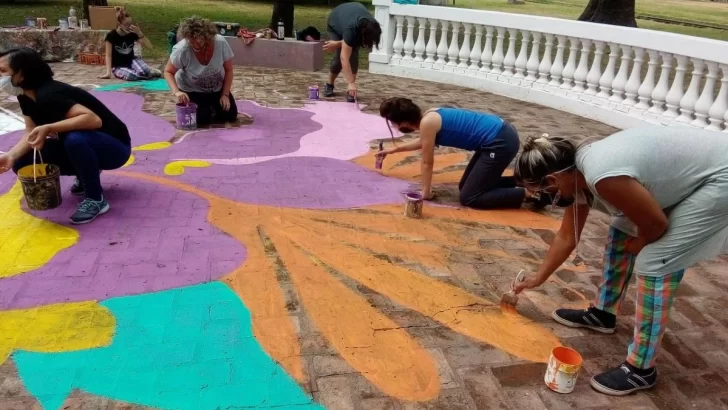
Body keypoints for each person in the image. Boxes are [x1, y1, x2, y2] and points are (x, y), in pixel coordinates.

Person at [512, 127, 728, 396]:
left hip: (721, 178)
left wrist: (640, 244)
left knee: (656, 262)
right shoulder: (575, 175)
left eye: (545, 192)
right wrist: (538, 278)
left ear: (553, 179)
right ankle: (603, 313)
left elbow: (655, 224)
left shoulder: (602, 175)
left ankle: (641, 369)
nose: (548, 200)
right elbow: (567, 236)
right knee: (621, 229)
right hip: (702, 170)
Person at [0, 48, 132, 224]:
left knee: (76, 139)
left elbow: (93, 120)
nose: (1, 78)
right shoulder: (25, 96)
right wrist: (11, 155)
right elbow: (30, 132)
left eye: (3, 71)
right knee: (23, 161)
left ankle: (96, 199)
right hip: (84, 144)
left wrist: (49, 127)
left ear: (21, 74)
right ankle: (86, 172)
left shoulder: (49, 95)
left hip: (115, 149)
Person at [377, 97, 545, 209]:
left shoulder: (428, 123)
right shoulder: (430, 115)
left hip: (499, 142)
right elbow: (424, 141)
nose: (395, 127)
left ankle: (530, 193)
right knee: (465, 187)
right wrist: (394, 150)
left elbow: (427, 162)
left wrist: (425, 192)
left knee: (470, 197)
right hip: (499, 136)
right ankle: (523, 181)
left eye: (394, 123)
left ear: (403, 121)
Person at [163, 16, 237, 126]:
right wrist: (177, 92)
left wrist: (225, 94)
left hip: (216, 87)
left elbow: (229, 70)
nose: (195, 44)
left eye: (199, 40)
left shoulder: (220, 43)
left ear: (208, 38)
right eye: (191, 41)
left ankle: (211, 106)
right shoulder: (182, 49)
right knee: (201, 120)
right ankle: (205, 108)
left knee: (230, 115)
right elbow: (168, 72)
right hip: (193, 89)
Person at [323, 2, 381, 102]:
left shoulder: (373, 26)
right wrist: (350, 82)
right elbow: (344, 58)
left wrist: (339, 43)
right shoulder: (352, 29)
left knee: (353, 56)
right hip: (336, 22)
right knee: (338, 58)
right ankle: (330, 83)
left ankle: (351, 91)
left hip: (351, 19)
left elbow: (352, 41)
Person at [100, 7, 161, 81]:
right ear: (119, 24)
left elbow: (150, 46)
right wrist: (108, 73)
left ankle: (146, 71)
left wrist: (140, 33)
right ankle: (146, 73)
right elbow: (108, 55)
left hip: (132, 60)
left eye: (130, 24)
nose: (129, 26)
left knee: (145, 71)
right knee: (132, 76)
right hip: (118, 66)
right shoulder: (112, 35)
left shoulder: (132, 33)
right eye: (126, 24)